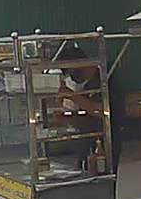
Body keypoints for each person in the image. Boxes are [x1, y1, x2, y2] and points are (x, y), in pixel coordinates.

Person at [51, 43, 120, 172]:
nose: (71, 78)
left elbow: (102, 111)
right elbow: (88, 120)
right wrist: (67, 119)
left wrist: (72, 96)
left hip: (112, 147)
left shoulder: (107, 78)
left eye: (70, 73)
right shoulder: (87, 87)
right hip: (90, 148)